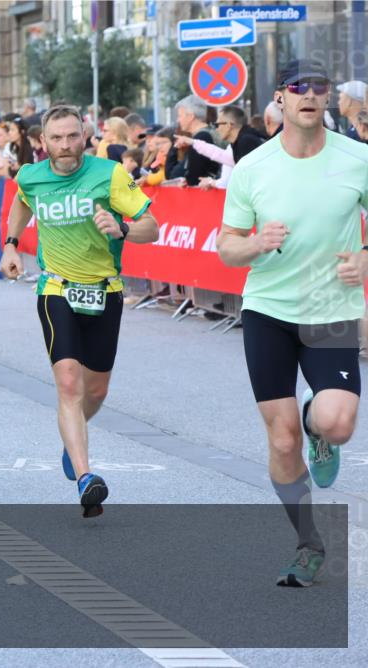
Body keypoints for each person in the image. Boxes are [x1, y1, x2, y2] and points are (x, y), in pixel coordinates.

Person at [217, 60, 368, 587]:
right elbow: (226, 247)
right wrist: (254, 243)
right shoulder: (254, 167)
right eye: (298, 87)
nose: (309, 94)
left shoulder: (358, 159)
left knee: (337, 422)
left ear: (328, 98)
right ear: (280, 98)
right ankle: (308, 544)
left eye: (319, 87)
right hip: (269, 311)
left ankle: (316, 428)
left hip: (331, 312)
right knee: (281, 443)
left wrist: (366, 257)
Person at [0, 104, 159, 518]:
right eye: (57, 138)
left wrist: (122, 227)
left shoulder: (109, 175)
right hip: (57, 289)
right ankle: (87, 478)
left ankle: (74, 439)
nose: (66, 145)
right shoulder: (31, 176)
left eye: (72, 136)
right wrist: (12, 244)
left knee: (97, 389)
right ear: (43, 142)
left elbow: (151, 226)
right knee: (69, 383)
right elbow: (22, 202)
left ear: (85, 134)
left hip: (105, 290)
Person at [174, 105, 264, 189]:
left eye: (218, 124)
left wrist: (211, 182)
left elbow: (242, 180)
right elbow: (219, 155)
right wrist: (192, 142)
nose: (216, 129)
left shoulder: (246, 141)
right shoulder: (238, 142)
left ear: (229, 125)